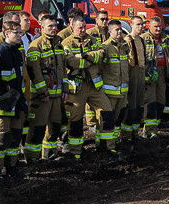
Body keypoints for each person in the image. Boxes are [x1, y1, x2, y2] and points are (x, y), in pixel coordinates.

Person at [62, 16, 117, 159]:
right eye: (80, 27)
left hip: (94, 86)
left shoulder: (92, 40)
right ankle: (75, 152)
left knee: (107, 114)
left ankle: (106, 147)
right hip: (77, 88)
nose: (83, 30)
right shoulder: (66, 43)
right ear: (72, 27)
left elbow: (101, 55)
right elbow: (70, 62)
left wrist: (84, 55)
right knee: (75, 120)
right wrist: (88, 61)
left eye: (84, 27)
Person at [23, 14, 67, 162]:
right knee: (38, 128)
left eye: (55, 25)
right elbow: (34, 72)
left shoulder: (59, 45)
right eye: (50, 26)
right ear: (42, 27)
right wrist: (43, 92)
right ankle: (32, 158)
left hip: (57, 95)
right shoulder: (36, 46)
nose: (54, 28)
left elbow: (62, 70)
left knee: (55, 127)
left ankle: (50, 153)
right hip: (42, 97)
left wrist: (65, 89)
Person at [0, 21, 27, 183]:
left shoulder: (17, 52)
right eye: (16, 33)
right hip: (1, 104)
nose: (19, 36)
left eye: (20, 33)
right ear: (6, 34)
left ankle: (11, 166)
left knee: (15, 137)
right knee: (0, 138)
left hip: (15, 101)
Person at [99, 20, 131, 148]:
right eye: (116, 30)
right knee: (108, 119)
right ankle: (106, 145)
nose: (119, 32)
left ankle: (114, 140)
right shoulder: (105, 48)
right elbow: (100, 69)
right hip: (110, 92)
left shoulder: (124, 46)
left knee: (119, 117)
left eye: (121, 29)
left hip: (123, 92)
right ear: (110, 31)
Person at [142, 16, 169, 138]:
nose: (158, 29)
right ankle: (149, 131)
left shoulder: (165, 37)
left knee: (161, 101)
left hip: (162, 73)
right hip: (150, 74)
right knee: (150, 102)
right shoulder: (144, 38)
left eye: (160, 26)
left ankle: (153, 126)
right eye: (155, 26)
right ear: (149, 27)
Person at [122, 16, 148, 142]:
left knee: (139, 104)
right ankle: (126, 135)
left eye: (142, 24)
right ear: (131, 25)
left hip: (142, 73)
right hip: (132, 73)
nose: (141, 27)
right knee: (131, 105)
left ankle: (135, 132)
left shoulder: (142, 40)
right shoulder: (127, 40)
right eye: (138, 24)